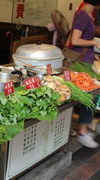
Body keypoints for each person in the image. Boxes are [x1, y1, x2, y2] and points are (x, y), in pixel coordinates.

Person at [70, 0, 100, 148]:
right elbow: (75, 40)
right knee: (90, 98)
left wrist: (93, 54)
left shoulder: (88, 14)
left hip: (86, 61)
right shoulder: (83, 15)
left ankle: (79, 129)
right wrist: (94, 44)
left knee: (88, 98)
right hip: (80, 63)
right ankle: (82, 132)